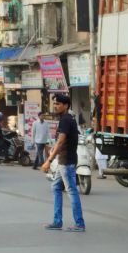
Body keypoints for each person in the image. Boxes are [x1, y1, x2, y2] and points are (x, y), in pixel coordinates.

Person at [40, 93, 85, 232]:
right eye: (55, 103)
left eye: (58, 104)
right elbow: (60, 141)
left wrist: (48, 160)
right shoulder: (67, 118)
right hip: (64, 160)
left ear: (65, 105)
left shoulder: (66, 119)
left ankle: (79, 224)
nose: (56, 106)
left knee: (71, 191)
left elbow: (61, 141)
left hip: (66, 161)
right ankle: (57, 221)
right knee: (55, 187)